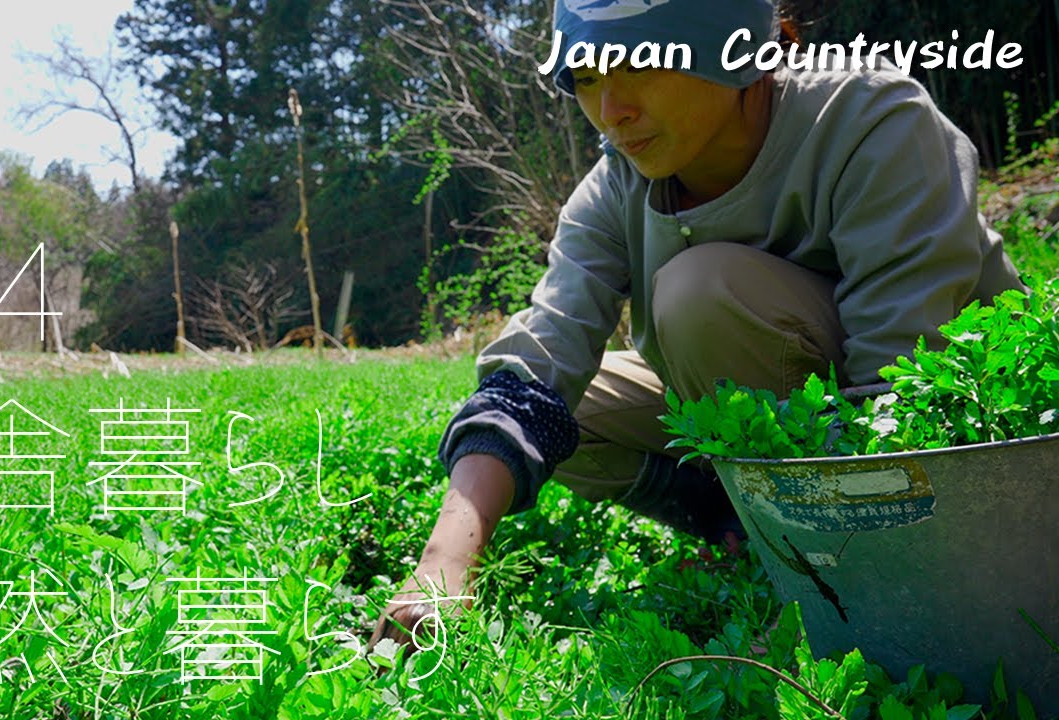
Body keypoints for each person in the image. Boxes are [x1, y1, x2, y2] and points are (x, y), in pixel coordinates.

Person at [368, 0, 1025, 651]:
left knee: (696, 294)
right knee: (574, 410)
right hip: (800, 421)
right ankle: (746, 531)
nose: (611, 110)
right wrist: (441, 569)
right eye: (587, 79)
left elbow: (900, 384)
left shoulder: (869, 118)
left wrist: (828, 611)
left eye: (638, 67)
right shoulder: (616, 187)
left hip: (963, 431)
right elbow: (536, 371)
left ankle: (831, 563)